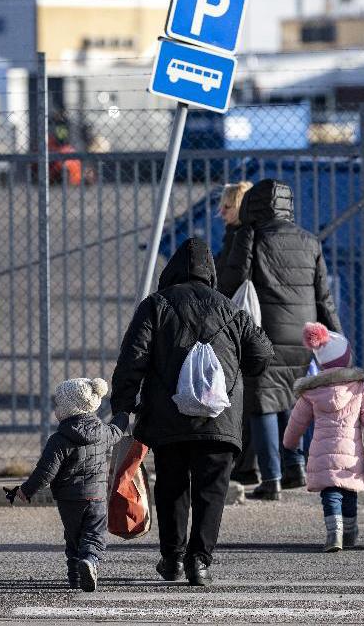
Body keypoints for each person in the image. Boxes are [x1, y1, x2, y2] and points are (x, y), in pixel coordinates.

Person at [111, 238, 273, 586]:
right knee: (211, 488)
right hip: (220, 418)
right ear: (210, 272)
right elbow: (261, 356)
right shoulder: (231, 309)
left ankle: (172, 558)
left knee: (171, 484)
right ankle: (199, 562)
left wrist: (122, 408)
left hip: (168, 416)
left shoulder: (156, 305)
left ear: (170, 271)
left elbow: (132, 360)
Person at [217, 178, 342, 501]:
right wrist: (335, 336)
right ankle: (294, 467)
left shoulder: (251, 235)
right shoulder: (309, 241)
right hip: (303, 336)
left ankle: (270, 478)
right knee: (290, 398)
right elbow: (323, 296)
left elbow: (234, 279)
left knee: (262, 404)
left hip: (265, 332)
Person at [283, 322, 364, 552]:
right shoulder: (358, 389)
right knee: (349, 494)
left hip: (322, 456)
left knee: (330, 495)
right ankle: (350, 531)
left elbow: (296, 422)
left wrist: (289, 444)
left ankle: (334, 534)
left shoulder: (311, 392)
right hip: (351, 456)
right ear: (346, 358)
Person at [9, 378, 123, 592]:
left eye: (58, 404)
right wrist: (123, 415)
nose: (55, 409)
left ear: (68, 407)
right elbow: (117, 431)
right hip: (97, 497)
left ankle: (75, 579)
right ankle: (90, 560)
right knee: (94, 535)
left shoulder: (59, 439)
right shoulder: (103, 433)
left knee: (73, 539)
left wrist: (26, 490)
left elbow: (45, 471)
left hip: (69, 500)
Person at [215, 181, 259, 486]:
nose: (221, 212)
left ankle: (246, 464)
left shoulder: (242, 235)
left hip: (241, 322)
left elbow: (236, 274)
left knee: (241, 395)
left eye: (227, 206)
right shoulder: (237, 233)